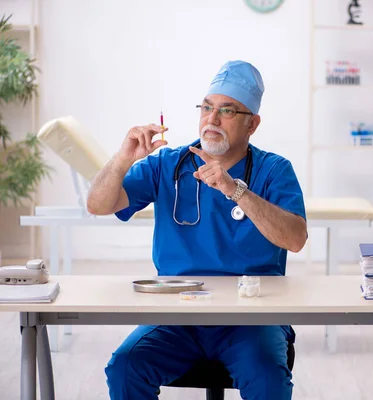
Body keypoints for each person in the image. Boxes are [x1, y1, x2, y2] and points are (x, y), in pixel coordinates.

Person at [86, 60, 307, 400]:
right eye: (206, 107)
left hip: (251, 316)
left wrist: (236, 190)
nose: (212, 120)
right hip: (177, 313)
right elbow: (98, 204)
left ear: (253, 124)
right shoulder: (167, 164)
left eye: (227, 111)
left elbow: (295, 239)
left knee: (267, 379)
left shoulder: (274, 170)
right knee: (125, 367)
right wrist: (122, 159)